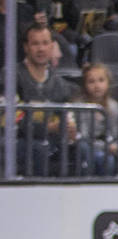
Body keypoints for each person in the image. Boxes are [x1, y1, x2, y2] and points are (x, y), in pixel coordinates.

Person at [15, 21, 80, 176]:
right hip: (20, 141)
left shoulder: (59, 83)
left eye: (45, 43)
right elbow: (12, 121)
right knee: (39, 148)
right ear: (26, 47)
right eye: (35, 44)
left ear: (52, 46)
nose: (41, 49)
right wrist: (49, 128)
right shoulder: (12, 76)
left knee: (82, 149)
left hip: (51, 140)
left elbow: (67, 115)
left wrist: (71, 130)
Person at [75, 62, 118, 175]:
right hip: (90, 148)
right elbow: (84, 137)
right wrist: (108, 148)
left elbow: (117, 133)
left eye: (101, 80)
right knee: (108, 160)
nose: (97, 85)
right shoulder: (80, 106)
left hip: (110, 146)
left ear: (108, 83)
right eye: (91, 81)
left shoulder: (113, 105)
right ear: (85, 85)